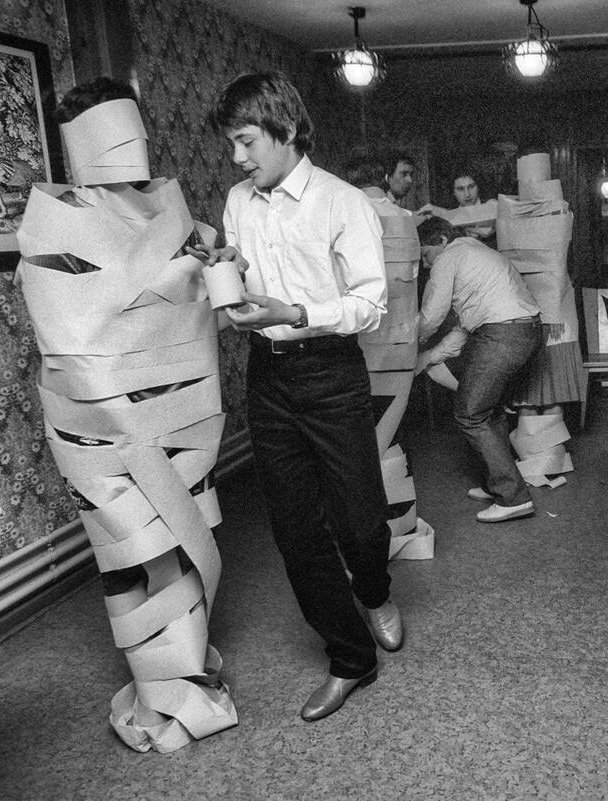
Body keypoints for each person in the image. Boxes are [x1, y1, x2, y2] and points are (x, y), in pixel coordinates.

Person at [16, 77, 236, 752]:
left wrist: (214, 267)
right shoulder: (56, 229)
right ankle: (162, 688)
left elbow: (205, 315)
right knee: (131, 552)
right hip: (99, 430)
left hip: (181, 420)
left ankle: (179, 681)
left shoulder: (174, 221)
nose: (131, 151)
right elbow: (68, 342)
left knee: (177, 551)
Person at [204, 71, 402, 722]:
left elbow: (370, 305)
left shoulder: (343, 202)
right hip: (268, 374)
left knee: (360, 522)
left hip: (331, 371)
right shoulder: (238, 200)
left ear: (285, 128)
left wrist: (296, 312)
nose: (237, 157)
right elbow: (241, 276)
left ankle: (375, 590)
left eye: (246, 141)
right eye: (232, 144)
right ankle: (350, 657)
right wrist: (227, 267)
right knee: (294, 529)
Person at [417, 215, 543, 523]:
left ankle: (514, 497)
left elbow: (432, 314)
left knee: (469, 413)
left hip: (503, 333)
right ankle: (497, 483)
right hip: (524, 330)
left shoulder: (449, 257)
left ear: (441, 241)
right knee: (489, 409)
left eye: (426, 254)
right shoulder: (475, 252)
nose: (425, 263)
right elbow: (464, 328)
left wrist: (409, 345)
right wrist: (430, 356)